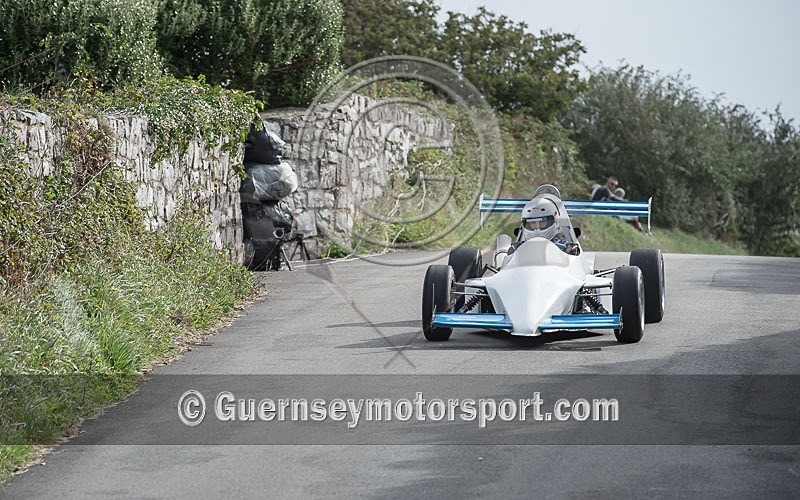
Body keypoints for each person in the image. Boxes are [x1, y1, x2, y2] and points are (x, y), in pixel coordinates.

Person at [514, 197, 580, 255]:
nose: (537, 227)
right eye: (533, 222)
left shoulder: (570, 248)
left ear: (554, 221)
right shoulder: (516, 248)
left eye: (542, 222)